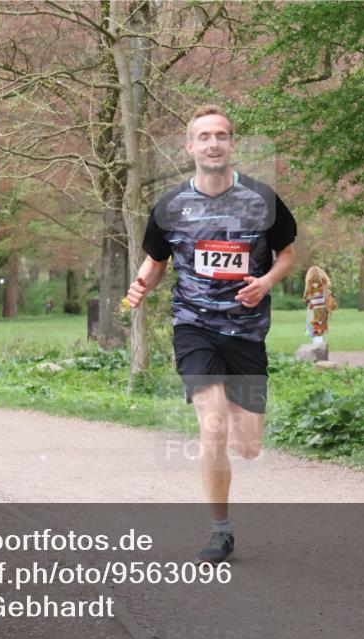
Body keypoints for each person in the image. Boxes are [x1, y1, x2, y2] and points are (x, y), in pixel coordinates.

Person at [125, 105, 296, 563]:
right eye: (204, 136)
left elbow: (288, 254)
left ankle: (239, 457)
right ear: (190, 147)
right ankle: (221, 531)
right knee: (213, 425)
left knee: (249, 445)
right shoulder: (171, 206)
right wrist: (141, 285)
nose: (213, 143)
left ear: (232, 144)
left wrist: (267, 282)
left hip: (246, 332)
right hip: (194, 325)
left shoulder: (262, 200)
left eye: (221, 135)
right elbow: (156, 261)